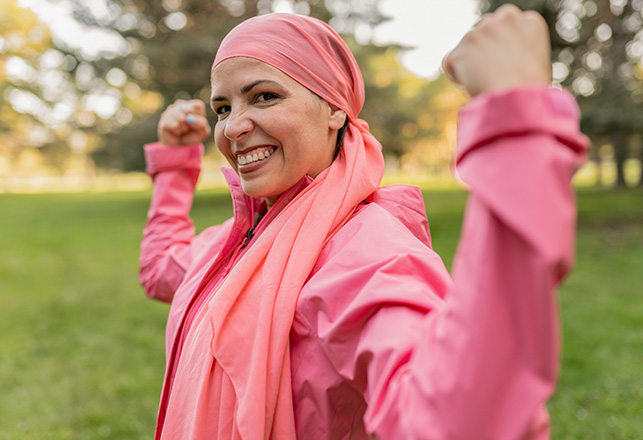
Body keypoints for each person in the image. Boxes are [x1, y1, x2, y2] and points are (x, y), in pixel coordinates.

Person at [139, 5, 588, 440]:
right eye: (222, 108)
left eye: (264, 96)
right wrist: (176, 166)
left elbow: (460, 422)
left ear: (335, 108)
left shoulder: (364, 257)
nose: (234, 126)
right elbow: (161, 270)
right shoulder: (239, 242)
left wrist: (515, 132)